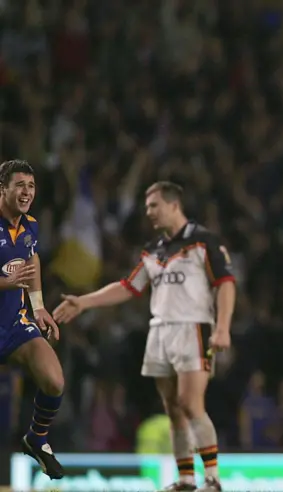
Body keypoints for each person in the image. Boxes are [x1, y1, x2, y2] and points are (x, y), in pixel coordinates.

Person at [53, 181, 236, 492]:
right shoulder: (153, 250)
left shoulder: (203, 241)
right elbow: (129, 286)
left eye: (154, 205)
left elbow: (226, 283)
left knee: (191, 404)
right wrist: (84, 302)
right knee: (174, 410)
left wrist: (222, 327)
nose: (148, 211)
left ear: (173, 205)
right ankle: (187, 480)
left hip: (193, 327)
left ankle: (214, 479)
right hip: (159, 332)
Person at [0, 159, 64, 479]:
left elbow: (32, 259)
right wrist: (5, 283)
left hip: (13, 324)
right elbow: (13, 277)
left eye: (31, 186)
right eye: (20, 185)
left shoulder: (30, 226)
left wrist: (38, 307)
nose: (27, 192)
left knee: (54, 381)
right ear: (3, 189)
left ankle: (36, 440)